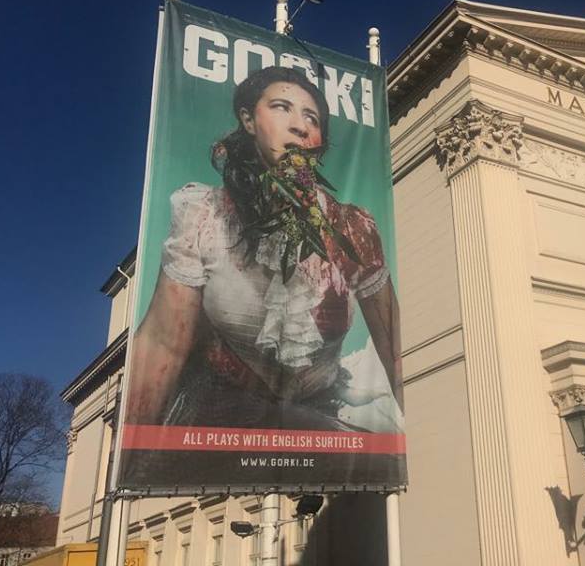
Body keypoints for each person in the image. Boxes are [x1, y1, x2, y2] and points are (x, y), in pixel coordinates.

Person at [124, 66, 401, 432]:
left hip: (322, 413)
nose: (300, 125)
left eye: (312, 118)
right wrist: (133, 451)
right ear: (249, 119)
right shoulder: (205, 216)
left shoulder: (352, 228)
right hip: (220, 412)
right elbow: (164, 341)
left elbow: (395, 348)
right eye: (282, 107)